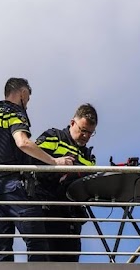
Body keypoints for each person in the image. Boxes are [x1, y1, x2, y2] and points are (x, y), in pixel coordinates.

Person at [0, 78, 75, 262]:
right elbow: (23, 142)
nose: (27, 105)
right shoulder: (14, 112)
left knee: (2, 250)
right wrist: (55, 161)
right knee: (38, 242)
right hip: (15, 187)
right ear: (22, 93)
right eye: (27, 99)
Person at [34, 103, 98, 262]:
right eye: (83, 130)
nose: (86, 136)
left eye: (90, 133)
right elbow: (31, 161)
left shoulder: (89, 158)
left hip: (71, 218)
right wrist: (57, 166)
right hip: (47, 211)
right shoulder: (53, 137)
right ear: (72, 123)